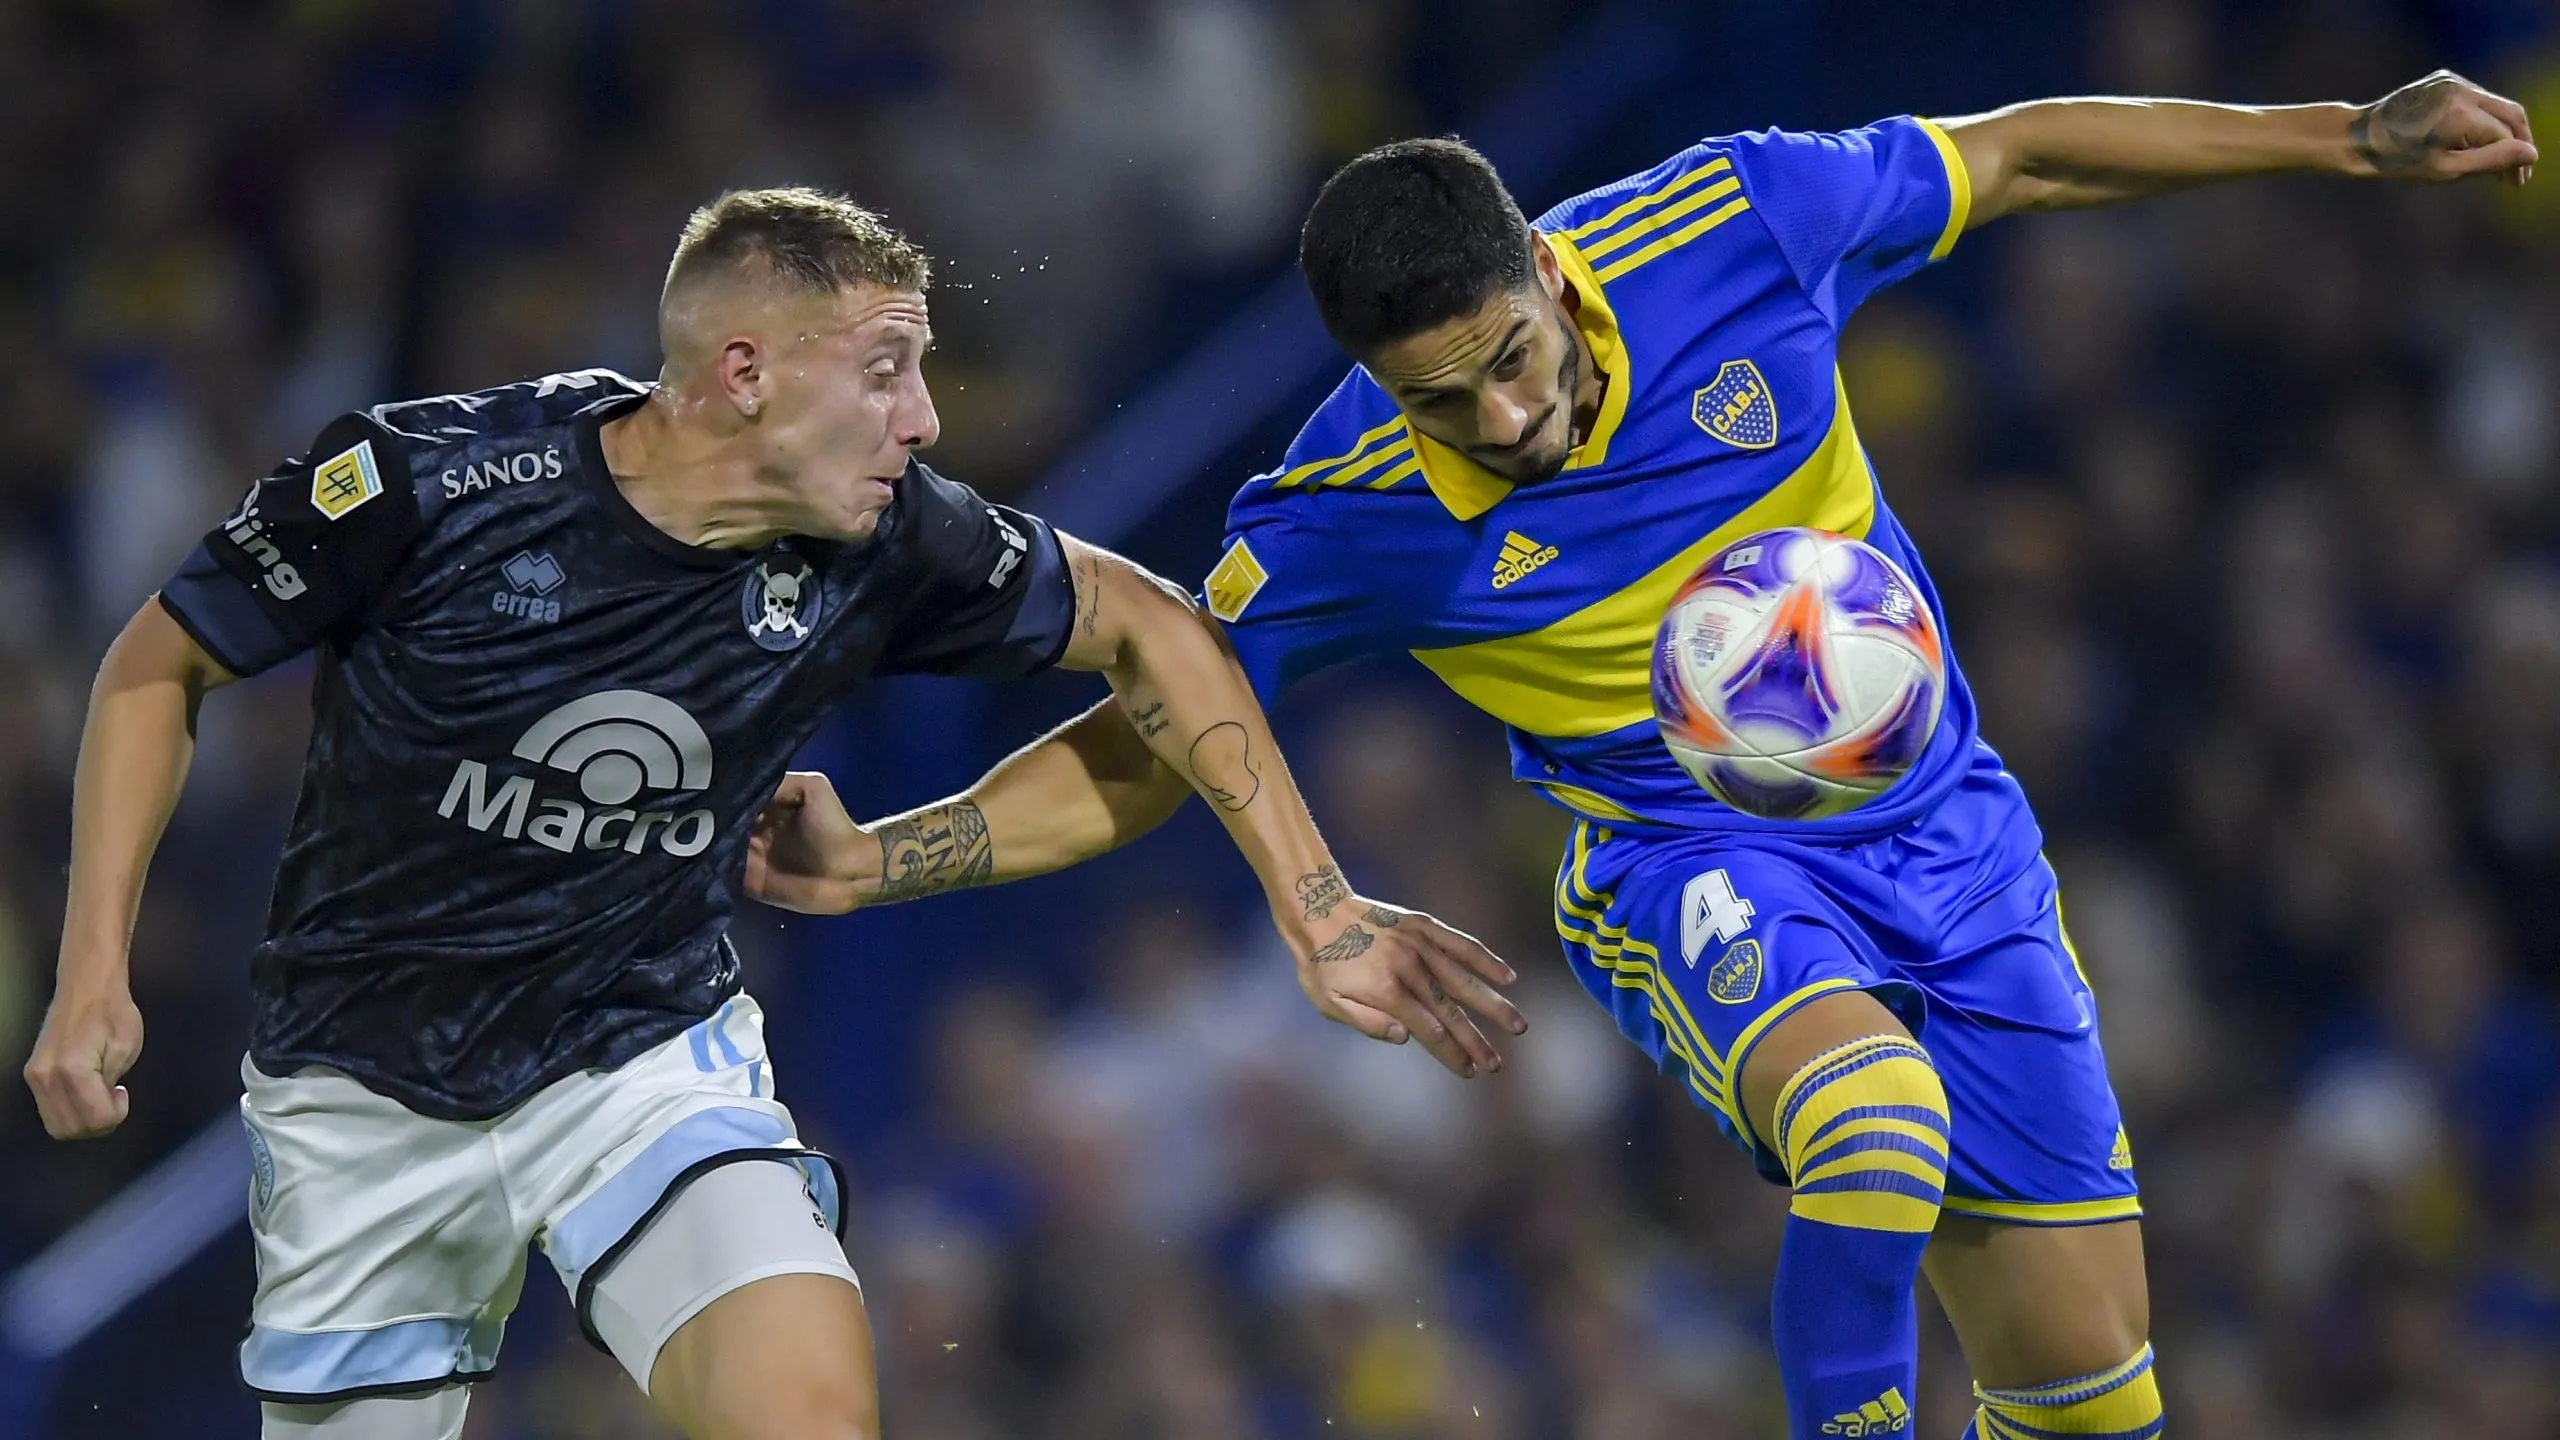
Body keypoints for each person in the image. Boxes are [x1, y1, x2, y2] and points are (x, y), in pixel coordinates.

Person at [748, 71, 2536, 1438]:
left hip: (1955, 842)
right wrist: (884, 856)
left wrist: (2344, 141)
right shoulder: (1345, 512)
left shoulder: (1734, 228)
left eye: (1514, 362)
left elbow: (2022, 154)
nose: (1507, 423)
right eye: (1446, 402)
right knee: (1874, 1128)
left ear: (1545, 266)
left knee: (2093, 1397)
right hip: (1696, 868)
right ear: (1382, 387)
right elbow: (1152, 748)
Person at [19, 188, 1522, 1440]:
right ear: (744, 373)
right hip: (362, 1096)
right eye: (885, 371)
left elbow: (1157, 630)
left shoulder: (881, 543)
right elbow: (159, 666)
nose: (926, 419)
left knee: (810, 1414)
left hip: (641, 1060)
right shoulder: (423, 486)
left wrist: (1317, 909)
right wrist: (95, 976)